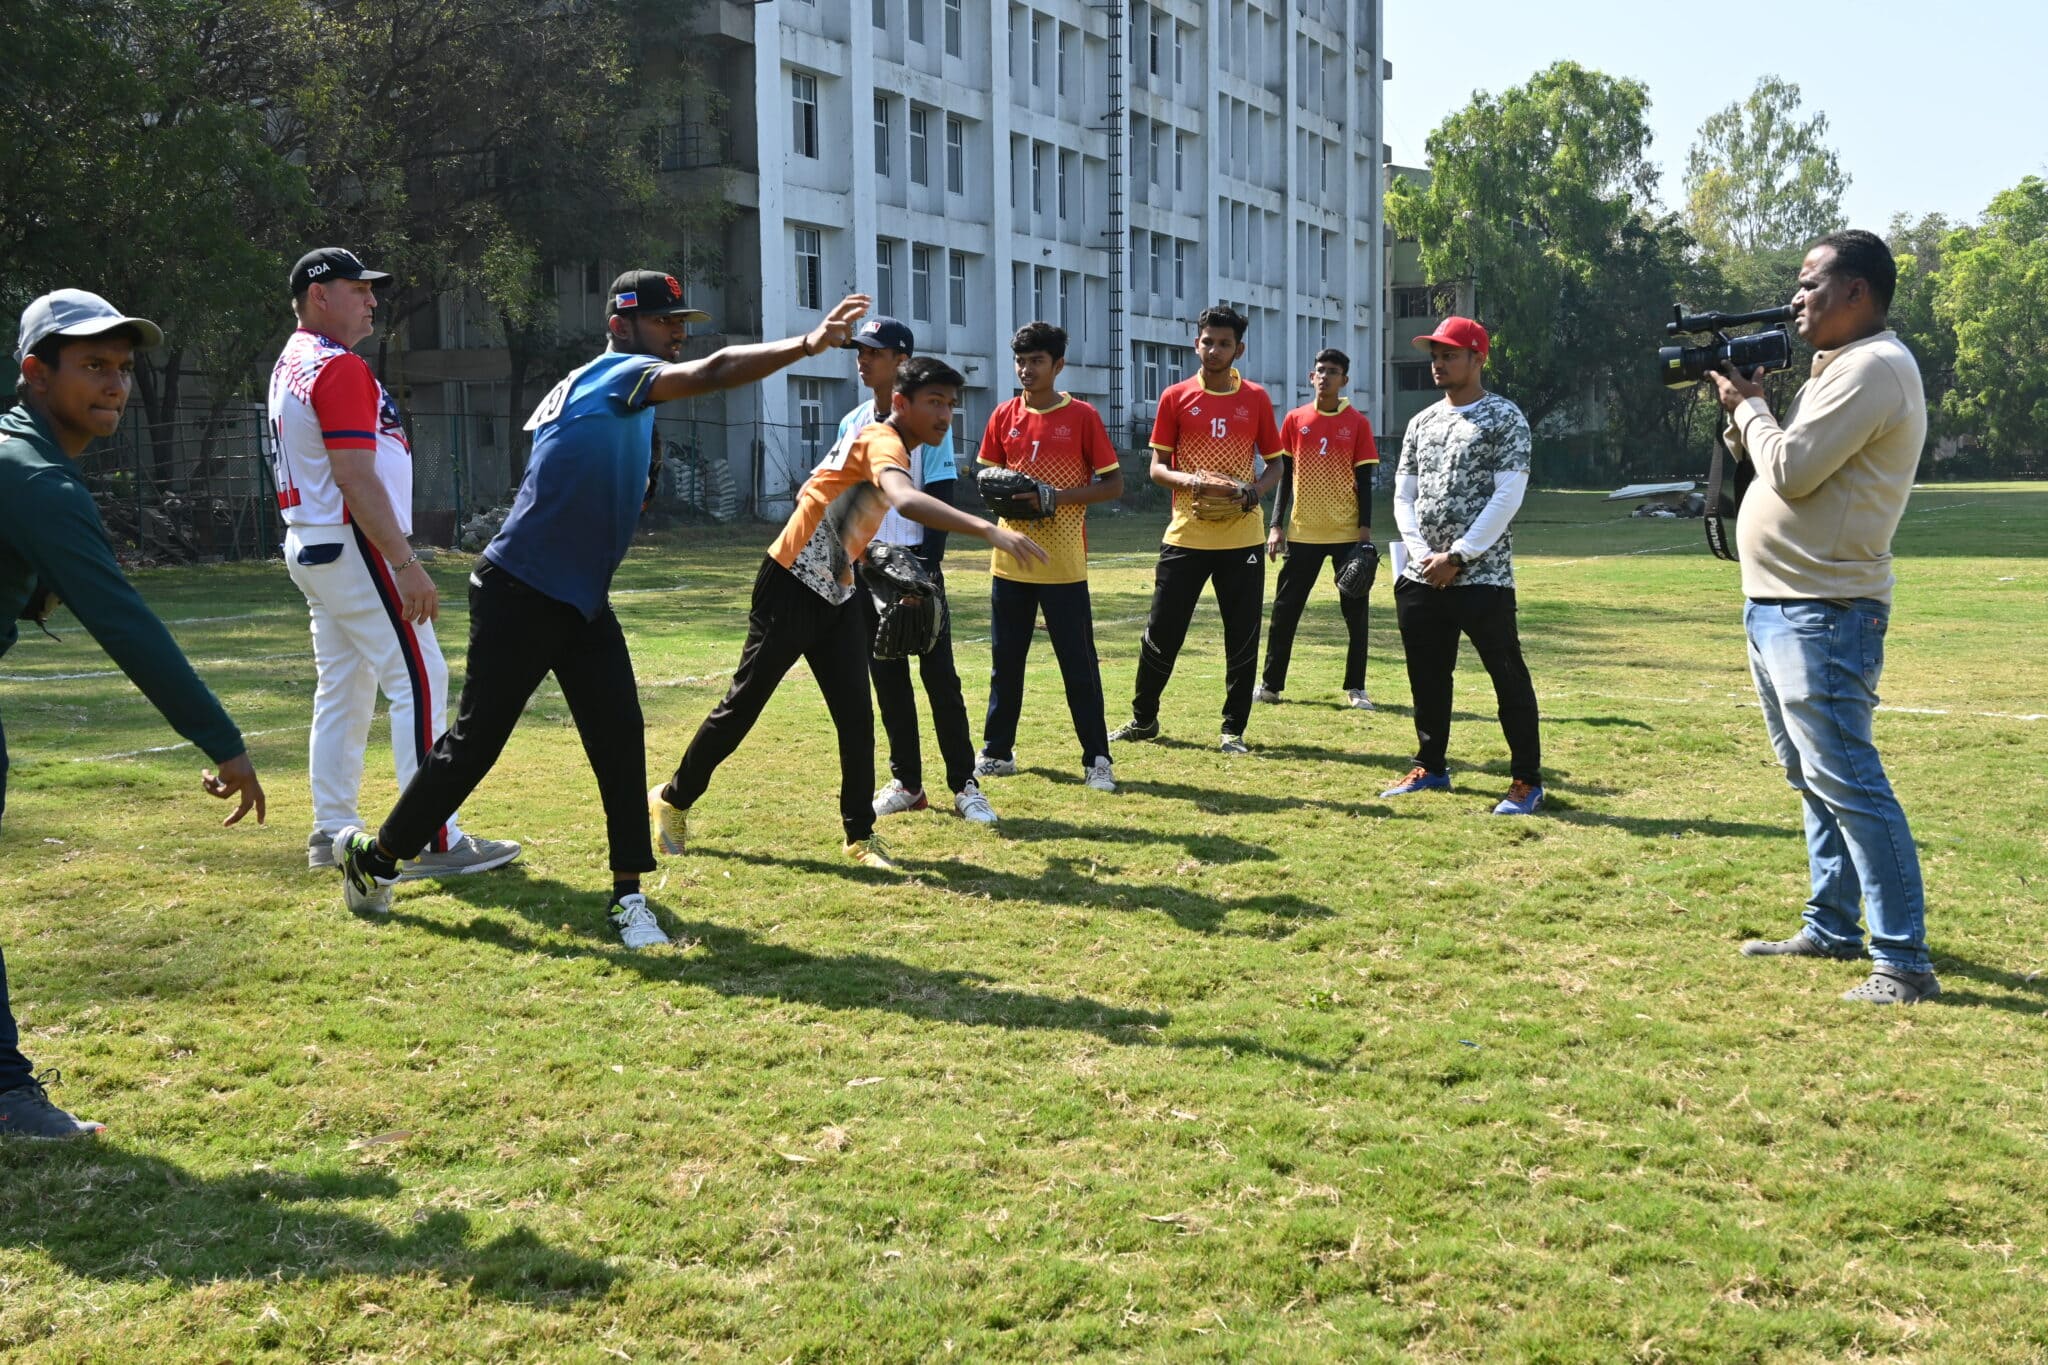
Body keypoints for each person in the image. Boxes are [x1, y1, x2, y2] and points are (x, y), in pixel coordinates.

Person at [336, 275, 869, 947]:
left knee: (620, 738)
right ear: (620, 324)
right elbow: (716, 371)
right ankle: (375, 857)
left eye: (680, 320)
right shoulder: (618, 373)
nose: (676, 331)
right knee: (476, 746)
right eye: (661, 320)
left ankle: (627, 895)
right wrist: (809, 342)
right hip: (521, 589)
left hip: (579, 598)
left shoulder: (615, 394)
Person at [1, 290, 266, 1138]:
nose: (114, 384)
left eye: (120, 368)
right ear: (35, 373)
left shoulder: (23, 457)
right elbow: (123, 622)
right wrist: (223, 741)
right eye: (92, 366)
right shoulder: (36, 476)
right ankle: (6, 1094)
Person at [650, 357, 1047, 871]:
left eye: (952, 404)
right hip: (790, 584)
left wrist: (849, 547)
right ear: (901, 403)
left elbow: (811, 489)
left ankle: (860, 835)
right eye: (935, 402)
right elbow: (904, 500)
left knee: (856, 719)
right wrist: (990, 529)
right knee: (744, 704)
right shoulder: (884, 441)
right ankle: (673, 799)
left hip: (838, 591)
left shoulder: (882, 442)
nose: (946, 414)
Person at [1709, 229, 1936, 1005]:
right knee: (1814, 778)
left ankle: (1903, 959)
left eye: (1811, 284)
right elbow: (1783, 465)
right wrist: (1751, 416)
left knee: (1851, 781)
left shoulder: (1875, 367)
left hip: (1824, 608)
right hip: (1783, 602)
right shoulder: (1841, 367)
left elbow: (1794, 469)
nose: (1796, 298)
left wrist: (1749, 408)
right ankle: (1834, 924)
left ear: (1858, 294)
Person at [267, 248, 518, 877]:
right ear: (319, 295)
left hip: (314, 539)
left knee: (345, 689)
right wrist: (405, 561)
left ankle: (331, 830)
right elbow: (354, 475)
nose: (373, 301)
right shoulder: (335, 365)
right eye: (359, 289)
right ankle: (433, 837)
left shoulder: (292, 361)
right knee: (420, 679)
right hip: (354, 541)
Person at [1382, 316, 1544, 815]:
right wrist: (1421, 554)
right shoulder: (1421, 421)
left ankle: (1526, 781)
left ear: (1478, 358)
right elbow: (1403, 493)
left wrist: (1459, 554)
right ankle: (1431, 766)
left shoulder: (1504, 417)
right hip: (1422, 576)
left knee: (1507, 677)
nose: (1438, 362)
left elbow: (1507, 494)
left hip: (1482, 577)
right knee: (1427, 678)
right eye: (1434, 354)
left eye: (1449, 354)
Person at [834, 317, 992, 825]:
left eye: (874, 352)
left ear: (901, 362)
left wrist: (921, 578)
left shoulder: (927, 425)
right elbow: (844, 500)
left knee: (939, 677)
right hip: (867, 571)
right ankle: (908, 782)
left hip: (917, 568)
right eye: (860, 351)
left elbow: (939, 495)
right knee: (887, 678)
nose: (862, 359)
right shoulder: (852, 421)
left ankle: (965, 783)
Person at [1110, 305, 1284, 754]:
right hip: (1186, 534)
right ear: (1196, 343)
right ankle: (1144, 718)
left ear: (1238, 348)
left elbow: (1276, 464)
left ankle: (1232, 731)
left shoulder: (1257, 399)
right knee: (1162, 629)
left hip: (1242, 536)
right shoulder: (1175, 396)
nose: (1214, 349)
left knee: (1241, 633)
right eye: (1207, 341)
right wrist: (1195, 481)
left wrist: (1253, 491)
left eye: (1224, 343)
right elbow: (1157, 468)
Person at [973, 321, 1124, 791]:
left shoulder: (1082, 417)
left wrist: (1053, 497)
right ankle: (998, 753)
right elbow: (985, 477)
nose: (1026, 369)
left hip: (1063, 566)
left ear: (1058, 365)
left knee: (1078, 665)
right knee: (1006, 663)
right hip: (1010, 561)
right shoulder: (1002, 415)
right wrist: (1001, 494)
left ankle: (1097, 758)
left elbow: (1113, 484)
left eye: (1036, 361)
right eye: (1020, 360)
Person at [1255, 347, 1380, 710]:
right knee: (1284, 611)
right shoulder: (1295, 419)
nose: (1325, 376)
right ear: (1311, 377)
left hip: (1345, 535)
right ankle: (1270, 685)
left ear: (1345, 380)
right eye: (1320, 370)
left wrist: (1364, 535)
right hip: (1302, 533)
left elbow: (1365, 481)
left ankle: (1357, 688)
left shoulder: (1358, 423)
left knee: (1356, 617)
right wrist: (1276, 526)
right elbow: (1284, 476)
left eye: (1333, 371)